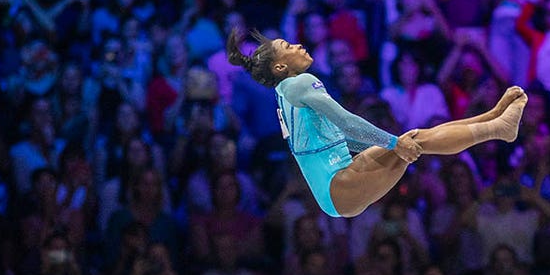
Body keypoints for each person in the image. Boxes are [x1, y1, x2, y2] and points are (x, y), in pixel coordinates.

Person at [226, 30, 528, 218]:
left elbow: (339, 138)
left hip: (340, 180)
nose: (298, 45)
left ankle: (492, 119)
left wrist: (393, 142)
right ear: (280, 67)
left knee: (416, 137)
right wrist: (393, 144)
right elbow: (346, 122)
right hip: (338, 186)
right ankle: (497, 129)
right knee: (410, 143)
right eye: (288, 46)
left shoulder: (286, 93)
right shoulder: (299, 83)